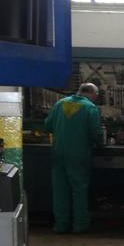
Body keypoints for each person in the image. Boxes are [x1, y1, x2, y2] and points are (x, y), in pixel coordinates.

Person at [45, 83, 102, 233]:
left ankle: (61, 225)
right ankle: (79, 225)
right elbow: (95, 133)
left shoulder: (60, 104)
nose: (96, 97)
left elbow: (48, 125)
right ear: (92, 93)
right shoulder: (90, 108)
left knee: (60, 190)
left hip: (58, 153)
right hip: (78, 154)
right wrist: (100, 143)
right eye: (96, 95)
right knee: (79, 190)